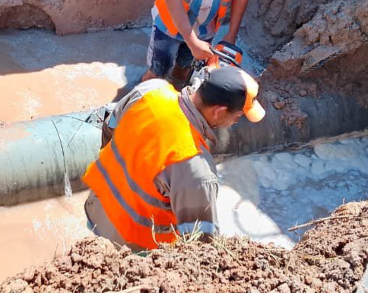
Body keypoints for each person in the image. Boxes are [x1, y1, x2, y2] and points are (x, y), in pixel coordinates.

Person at [83, 66, 265, 251]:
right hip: (131, 245)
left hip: (97, 205)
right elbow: (200, 243)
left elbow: (109, 128)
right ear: (219, 111)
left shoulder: (152, 90)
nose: (235, 122)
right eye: (237, 116)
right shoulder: (195, 166)